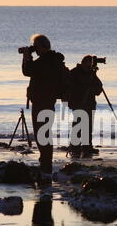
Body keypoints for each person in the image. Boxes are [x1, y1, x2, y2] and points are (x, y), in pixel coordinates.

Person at [21, 34, 66, 177]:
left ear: (40, 46)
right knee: (44, 131)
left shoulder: (45, 61)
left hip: (42, 100)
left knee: (41, 132)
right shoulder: (54, 59)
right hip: (49, 100)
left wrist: (27, 56)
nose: (35, 49)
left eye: (36, 46)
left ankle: (46, 163)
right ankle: (45, 160)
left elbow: (27, 71)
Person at [68, 55, 103, 158]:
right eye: (88, 64)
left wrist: (93, 80)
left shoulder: (91, 74)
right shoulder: (74, 72)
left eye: (90, 64)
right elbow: (70, 87)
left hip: (89, 103)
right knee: (77, 125)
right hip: (78, 102)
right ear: (83, 63)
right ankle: (75, 147)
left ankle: (87, 146)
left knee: (88, 126)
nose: (89, 66)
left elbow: (99, 88)